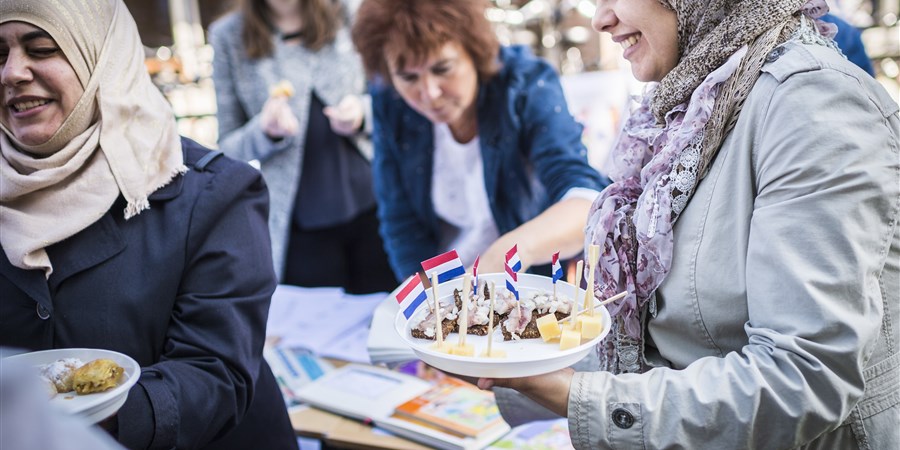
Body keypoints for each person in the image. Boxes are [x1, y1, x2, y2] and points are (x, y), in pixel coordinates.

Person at [477, 0, 899, 448]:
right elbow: (670, 348)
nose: (600, 19)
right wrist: (510, 365)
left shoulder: (811, 105)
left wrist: (575, 395)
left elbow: (804, 379)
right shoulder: (696, 101)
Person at [0, 1, 297, 448]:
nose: (12, 73)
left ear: (102, 58)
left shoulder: (215, 193)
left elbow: (215, 371)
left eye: (41, 48)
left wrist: (73, 417)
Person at [350, 0, 610, 280]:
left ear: (475, 51)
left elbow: (584, 200)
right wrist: (430, 303)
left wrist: (508, 253)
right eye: (408, 77)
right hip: (446, 288)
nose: (430, 93)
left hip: (531, 282)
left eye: (442, 68)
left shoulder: (525, 84)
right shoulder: (390, 101)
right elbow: (400, 221)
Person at [209, 0, 395, 294]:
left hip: (375, 206)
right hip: (300, 225)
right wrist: (265, 131)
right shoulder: (228, 35)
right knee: (317, 328)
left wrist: (362, 113)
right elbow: (228, 147)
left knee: (387, 314)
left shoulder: (348, 13)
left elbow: (394, 97)